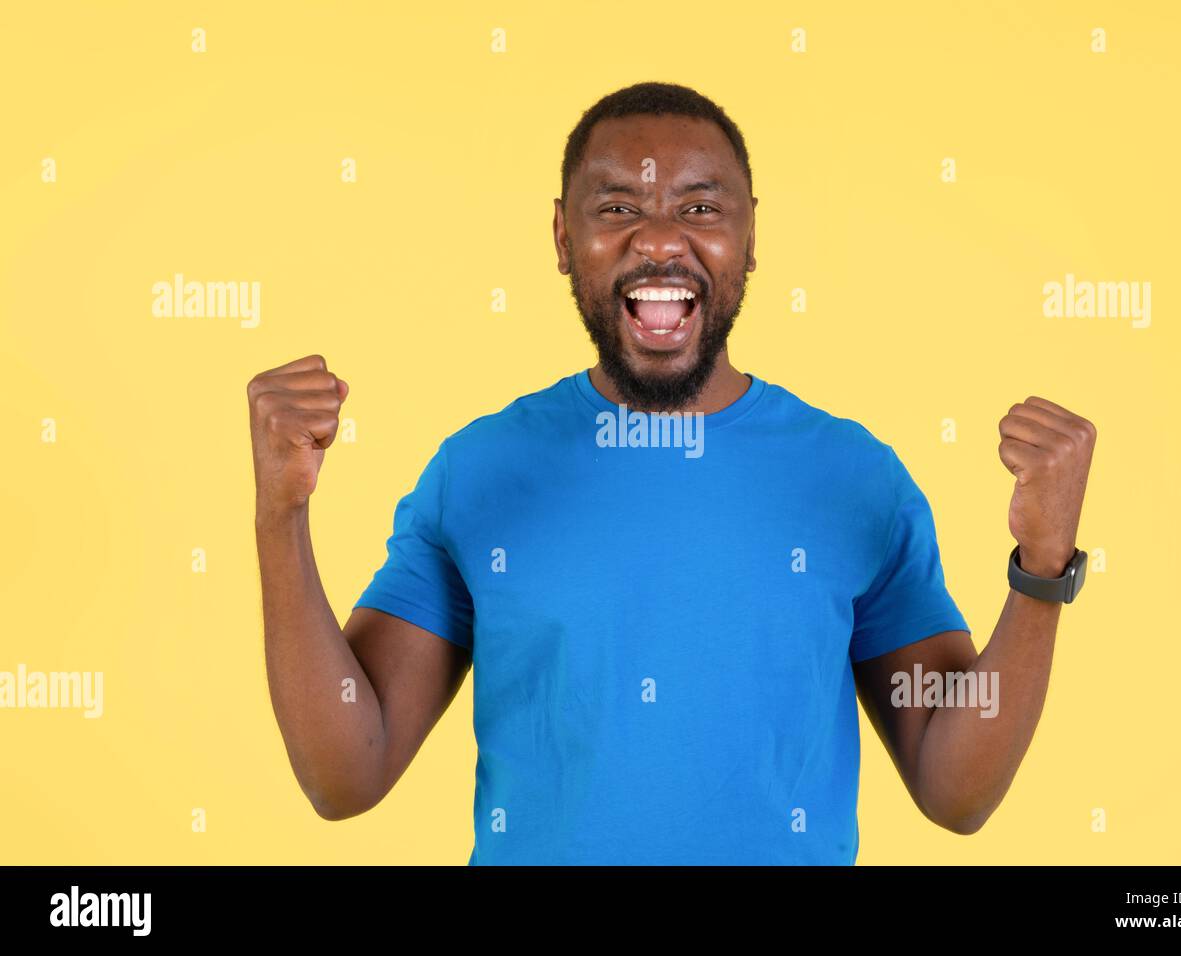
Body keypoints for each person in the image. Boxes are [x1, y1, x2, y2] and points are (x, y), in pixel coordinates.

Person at [246, 81, 1097, 865]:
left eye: (699, 206)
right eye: (617, 206)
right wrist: (281, 519)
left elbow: (956, 791)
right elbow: (345, 776)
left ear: (750, 237)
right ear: (560, 237)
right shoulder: (479, 472)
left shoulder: (856, 481)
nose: (658, 240)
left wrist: (1042, 571)